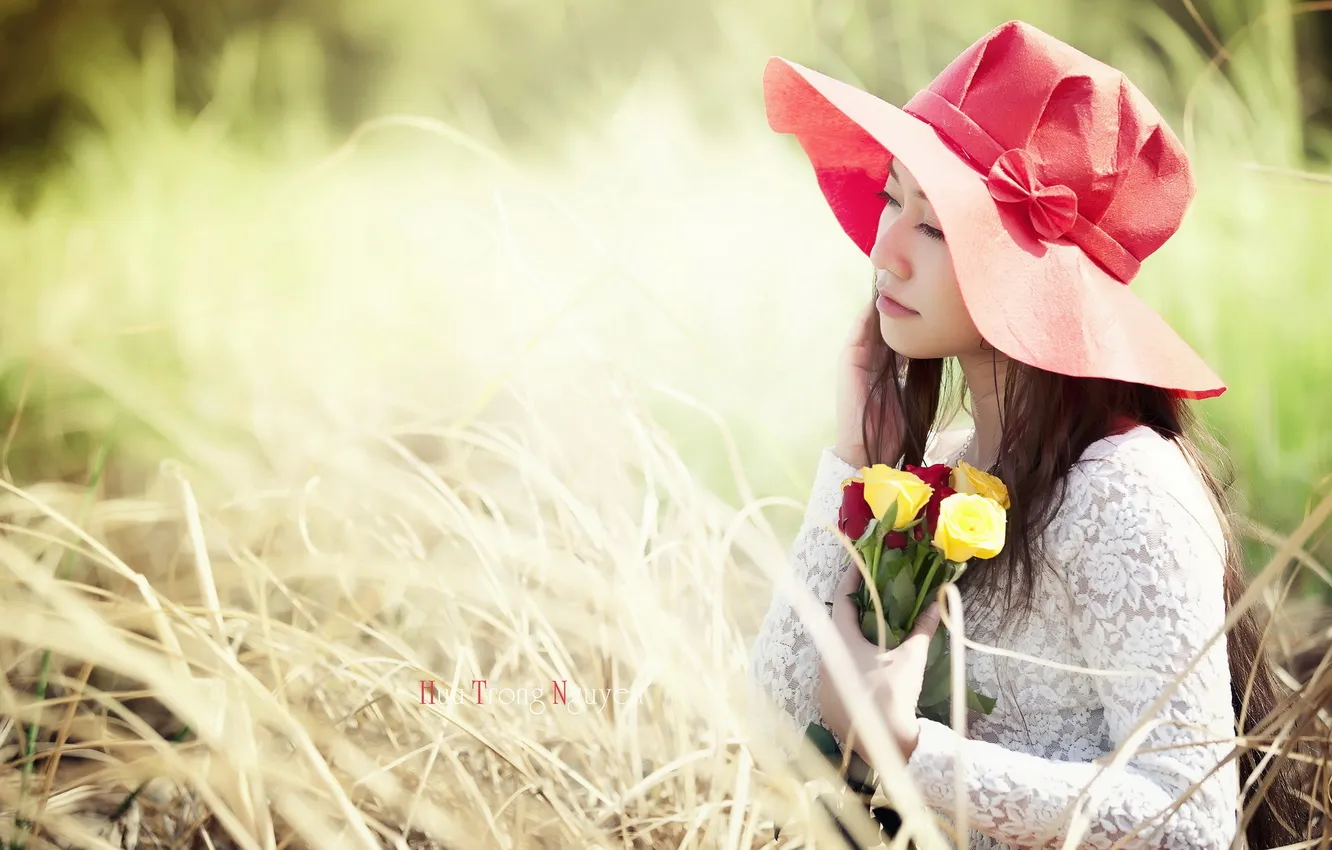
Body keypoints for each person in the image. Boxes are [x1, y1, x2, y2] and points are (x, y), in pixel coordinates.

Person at [747, 20, 1314, 850]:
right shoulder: (935, 476)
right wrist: (854, 462)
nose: (886, 253)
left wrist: (909, 749)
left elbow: (1192, 818)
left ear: (1026, 270)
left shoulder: (1127, 487)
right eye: (893, 201)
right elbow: (774, 724)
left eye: (936, 228)